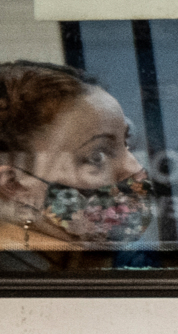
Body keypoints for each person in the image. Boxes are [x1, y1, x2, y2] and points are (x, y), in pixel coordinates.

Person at [2, 59, 161, 270]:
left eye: (127, 144)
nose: (134, 168)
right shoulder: (21, 276)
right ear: (14, 185)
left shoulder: (125, 256)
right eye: (97, 156)